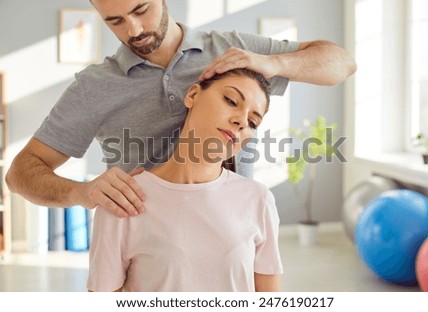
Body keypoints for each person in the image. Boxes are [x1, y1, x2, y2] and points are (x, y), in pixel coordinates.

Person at [5, 0, 357, 218]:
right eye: (115, 21)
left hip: (230, 236)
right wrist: (79, 192)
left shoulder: (232, 50)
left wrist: (270, 63)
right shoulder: (93, 87)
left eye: (141, 9)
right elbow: (20, 173)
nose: (135, 29)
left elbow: (341, 64)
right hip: (143, 250)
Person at [88, 68, 282, 292]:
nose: (241, 121)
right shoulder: (123, 199)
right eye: (231, 100)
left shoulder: (258, 199)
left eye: (252, 122)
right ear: (193, 95)